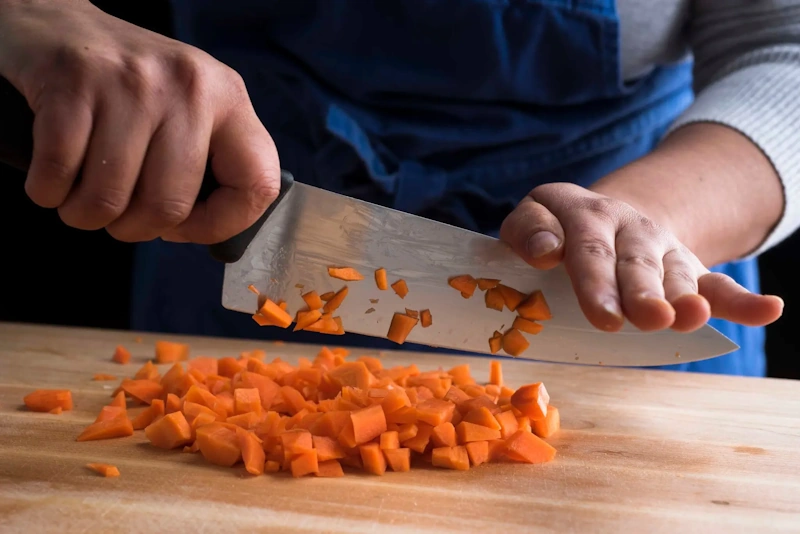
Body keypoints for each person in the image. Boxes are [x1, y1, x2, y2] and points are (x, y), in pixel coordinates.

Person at [0, 0, 794, 376]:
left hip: (628, 272)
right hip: (224, 200)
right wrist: (31, 16)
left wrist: (648, 215)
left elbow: (783, 46)